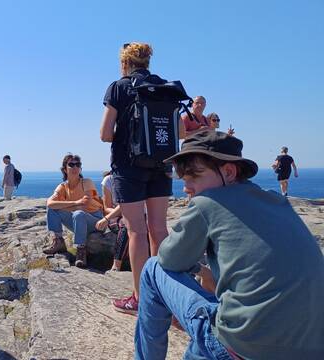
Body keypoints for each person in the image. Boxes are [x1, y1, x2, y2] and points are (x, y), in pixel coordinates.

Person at [134, 131, 324, 360]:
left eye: (193, 175)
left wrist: (193, 270)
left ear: (229, 172)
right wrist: (204, 271)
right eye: (182, 177)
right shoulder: (277, 201)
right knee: (218, 321)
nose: (186, 186)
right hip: (310, 350)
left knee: (152, 268)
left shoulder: (207, 203)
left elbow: (168, 259)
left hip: (239, 348)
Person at [100, 42, 185, 313]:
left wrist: (127, 135)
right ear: (147, 62)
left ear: (124, 63)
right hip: (161, 165)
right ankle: (164, 295)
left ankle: (140, 298)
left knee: (136, 231)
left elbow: (104, 133)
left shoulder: (118, 87)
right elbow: (180, 132)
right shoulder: (164, 88)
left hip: (129, 167)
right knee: (159, 230)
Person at [43, 154, 104, 268]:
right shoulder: (62, 187)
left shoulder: (86, 182)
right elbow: (50, 203)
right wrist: (76, 203)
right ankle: (59, 241)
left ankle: (81, 250)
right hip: (77, 221)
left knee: (78, 213)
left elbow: (84, 204)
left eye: (78, 164)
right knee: (53, 209)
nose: (75, 167)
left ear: (80, 168)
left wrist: (63, 206)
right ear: (65, 169)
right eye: (71, 164)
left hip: (95, 222)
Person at [95, 171, 126, 272]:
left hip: (136, 215)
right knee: (125, 225)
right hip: (115, 217)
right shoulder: (109, 180)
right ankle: (116, 265)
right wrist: (121, 213)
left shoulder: (134, 178)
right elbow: (107, 207)